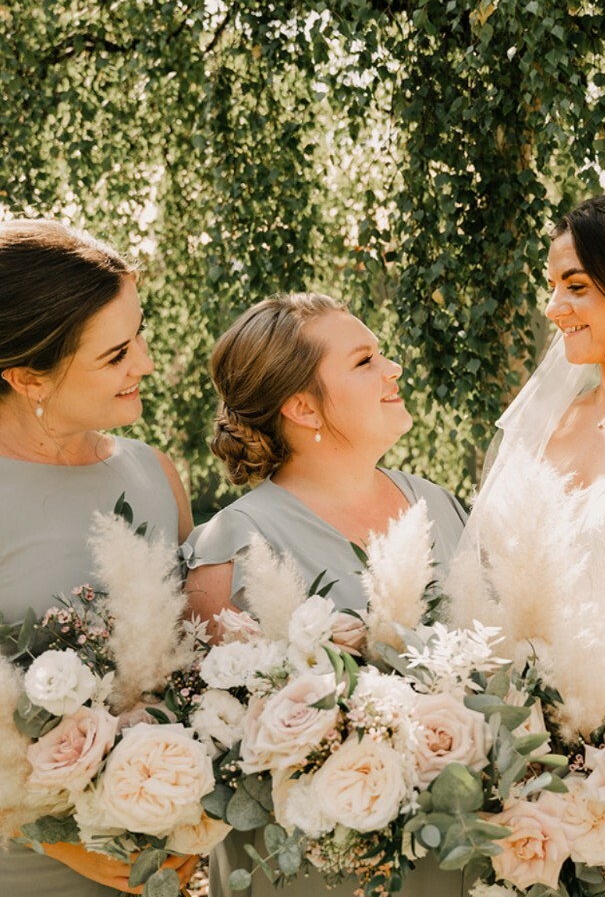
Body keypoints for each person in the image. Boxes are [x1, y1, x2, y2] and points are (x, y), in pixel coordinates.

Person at [184, 293, 467, 897]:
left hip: (456, 854)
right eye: (365, 362)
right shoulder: (231, 547)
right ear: (303, 408)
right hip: (319, 870)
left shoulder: (438, 503)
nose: (393, 370)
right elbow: (228, 748)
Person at [448, 189, 605, 896]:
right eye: (551, 287)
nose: (553, 307)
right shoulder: (548, 427)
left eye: (576, 285)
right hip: (532, 777)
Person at [0, 219, 195, 897]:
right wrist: (49, 836)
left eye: (140, 332)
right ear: (29, 377)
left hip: (163, 859)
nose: (143, 361)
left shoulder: (155, 474)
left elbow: (194, 668)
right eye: (115, 354)